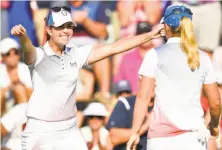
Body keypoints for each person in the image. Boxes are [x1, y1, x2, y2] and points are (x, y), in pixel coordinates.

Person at [10, 6, 165, 150]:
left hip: (68, 129)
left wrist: (150, 35)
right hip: (39, 129)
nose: (66, 31)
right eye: (60, 27)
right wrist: (23, 38)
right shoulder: (39, 55)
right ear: (49, 30)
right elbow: (28, 50)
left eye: (69, 26)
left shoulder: (75, 53)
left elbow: (114, 47)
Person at [127, 5, 221, 150]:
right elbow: (215, 103)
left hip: (161, 138)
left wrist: (135, 132)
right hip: (193, 138)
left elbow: (142, 98)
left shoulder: (153, 55)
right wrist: (214, 126)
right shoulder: (203, 57)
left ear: (165, 26)